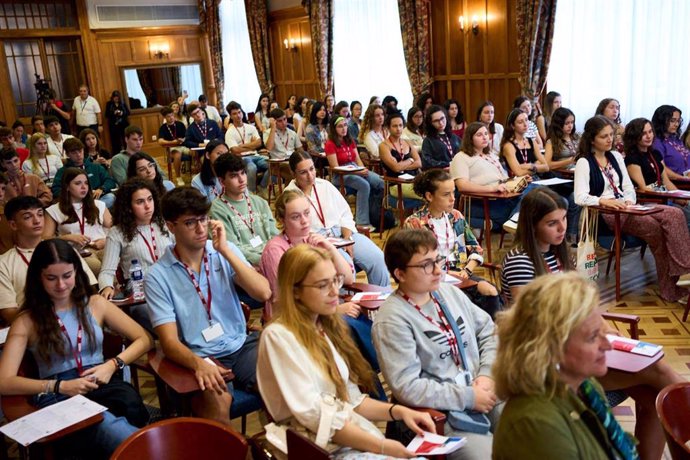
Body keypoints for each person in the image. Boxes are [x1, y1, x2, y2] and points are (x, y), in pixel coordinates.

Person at [257, 244, 435, 458]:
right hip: (315, 449)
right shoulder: (278, 337)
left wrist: (397, 411)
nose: (335, 291)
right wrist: (383, 447)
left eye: (336, 280)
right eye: (323, 285)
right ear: (295, 291)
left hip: (343, 439)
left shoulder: (325, 328)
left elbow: (351, 399)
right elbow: (318, 417)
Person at [0, 238, 152, 459]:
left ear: (76, 273)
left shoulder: (95, 304)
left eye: (67, 276)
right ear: (38, 278)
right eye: (51, 278)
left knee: (118, 413)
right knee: (103, 424)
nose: (61, 285)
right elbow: (4, 381)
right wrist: (59, 385)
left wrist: (113, 364)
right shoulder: (27, 320)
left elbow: (144, 338)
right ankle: (154, 451)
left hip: (100, 380)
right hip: (58, 393)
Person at [144, 186, 271, 425]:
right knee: (218, 403)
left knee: (283, 382)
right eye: (190, 223)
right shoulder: (157, 276)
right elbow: (169, 343)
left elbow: (263, 292)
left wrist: (225, 250)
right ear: (171, 227)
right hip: (199, 354)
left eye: (203, 219)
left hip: (240, 344)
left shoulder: (222, 251)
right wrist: (199, 364)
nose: (201, 229)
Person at [373, 229, 500, 460]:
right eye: (426, 265)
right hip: (444, 411)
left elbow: (488, 331)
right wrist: (468, 396)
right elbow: (408, 387)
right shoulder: (391, 320)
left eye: (438, 260)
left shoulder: (448, 292)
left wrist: (487, 374)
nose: (438, 270)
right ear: (400, 274)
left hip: (484, 390)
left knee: (533, 430)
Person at [491, 272, 639, 460]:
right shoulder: (535, 426)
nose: (607, 345)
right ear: (551, 347)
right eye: (593, 337)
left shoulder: (586, 386)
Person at [574, 115, 690, 302]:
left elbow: (628, 188)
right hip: (607, 213)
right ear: (592, 139)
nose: (610, 139)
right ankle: (671, 287)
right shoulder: (584, 162)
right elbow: (580, 197)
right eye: (604, 136)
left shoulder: (617, 157)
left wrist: (628, 201)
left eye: (611, 135)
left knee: (675, 214)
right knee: (655, 228)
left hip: (628, 206)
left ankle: (684, 269)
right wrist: (604, 201)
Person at [285, 151, 391, 288]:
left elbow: (345, 214)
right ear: (293, 174)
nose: (310, 176)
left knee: (378, 258)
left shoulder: (325, 185)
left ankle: (382, 301)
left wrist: (347, 238)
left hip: (342, 234)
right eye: (303, 172)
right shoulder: (289, 196)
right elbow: (294, 231)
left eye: (312, 169)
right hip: (318, 241)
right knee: (346, 270)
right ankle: (347, 308)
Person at [404, 170, 501, 318]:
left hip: (462, 276)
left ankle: (493, 336)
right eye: (446, 194)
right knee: (463, 302)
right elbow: (419, 264)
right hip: (434, 280)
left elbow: (475, 247)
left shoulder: (456, 216)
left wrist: (467, 270)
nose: (452, 199)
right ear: (429, 196)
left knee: (491, 291)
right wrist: (446, 273)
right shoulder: (414, 223)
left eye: (453, 193)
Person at [259, 189, 355, 320]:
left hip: (321, 312)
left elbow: (348, 279)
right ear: (282, 220)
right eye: (296, 217)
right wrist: (336, 310)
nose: (304, 221)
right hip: (292, 320)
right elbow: (284, 300)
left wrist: (331, 249)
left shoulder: (313, 240)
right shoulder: (274, 250)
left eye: (307, 213)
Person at [0, 196, 97, 324]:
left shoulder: (62, 249)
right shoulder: (3, 263)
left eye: (40, 214)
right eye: (28, 217)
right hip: (35, 327)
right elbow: (9, 314)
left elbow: (90, 289)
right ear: (13, 224)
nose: (37, 221)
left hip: (76, 319)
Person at [450, 122, 526, 230]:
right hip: (484, 201)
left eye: (486, 133)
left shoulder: (491, 155)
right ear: (470, 138)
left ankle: (513, 219)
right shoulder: (461, 157)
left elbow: (503, 179)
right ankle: (514, 219)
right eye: (479, 135)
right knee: (529, 212)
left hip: (504, 196)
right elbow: (462, 186)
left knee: (534, 189)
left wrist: (519, 181)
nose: (484, 137)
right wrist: (492, 188)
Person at [210, 153, 278, 266]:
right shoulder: (217, 210)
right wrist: (264, 261)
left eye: (243, 173)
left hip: (271, 257)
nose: (241, 180)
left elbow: (274, 235)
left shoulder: (260, 203)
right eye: (234, 176)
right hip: (244, 265)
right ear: (222, 182)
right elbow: (231, 248)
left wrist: (277, 255)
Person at [45, 168, 113, 276]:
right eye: (78, 183)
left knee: (113, 260)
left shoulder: (99, 204)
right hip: (75, 251)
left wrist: (107, 240)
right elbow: (45, 239)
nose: (84, 187)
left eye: (86, 183)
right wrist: (67, 238)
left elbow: (114, 229)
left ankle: (115, 289)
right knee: (94, 265)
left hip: (101, 245)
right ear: (67, 187)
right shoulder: (54, 210)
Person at [625, 117, 690, 228]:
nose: (649, 136)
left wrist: (682, 198)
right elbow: (643, 189)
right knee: (685, 215)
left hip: (664, 196)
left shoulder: (655, 154)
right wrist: (667, 197)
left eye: (650, 132)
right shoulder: (632, 158)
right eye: (643, 133)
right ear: (634, 136)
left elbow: (666, 181)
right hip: (649, 201)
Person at [325, 116, 384, 229]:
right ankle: (361, 222)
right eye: (340, 126)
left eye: (345, 125)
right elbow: (335, 167)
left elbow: (357, 159)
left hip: (355, 168)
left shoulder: (350, 140)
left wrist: (363, 169)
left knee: (379, 181)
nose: (344, 129)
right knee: (364, 185)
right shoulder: (330, 144)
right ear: (334, 128)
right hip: (341, 174)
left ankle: (375, 215)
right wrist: (358, 172)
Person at [52, 138, 117, 209]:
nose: (78, 155)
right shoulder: (63, 171)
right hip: (76, 202)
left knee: (111, 197)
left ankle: (91, 211)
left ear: (83, 150)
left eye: (80, 151)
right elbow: (56, 189)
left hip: (97, 199)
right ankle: (93, 211)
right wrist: (73, 194)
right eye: (74, 153)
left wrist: (102, 189)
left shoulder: (95, 166)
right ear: (67, 154)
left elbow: (110, 181)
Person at [225, 101, 269, 193]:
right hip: (241, 158)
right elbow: (235, 150)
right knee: (251, 167)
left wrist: (243, 146)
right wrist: (252, 145)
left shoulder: (251, 128)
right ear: (231, 116)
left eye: (239, 112)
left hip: (256, 155)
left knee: (273, 165)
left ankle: (263, 187)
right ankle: (250, 193)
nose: (238, 115)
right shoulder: (230, 132)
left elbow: (259, 143)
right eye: (234, 113)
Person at [378, 112, 422, 201]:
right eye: (394, 126)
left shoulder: (407, 142)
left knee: (436, 188)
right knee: (429, 193)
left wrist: (401, 165)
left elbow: (419, 163)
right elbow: (395, 168)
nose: (398, 129)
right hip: (396, 185)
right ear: (388, 128)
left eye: (400, 125)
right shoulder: (384, 145)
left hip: (414, 180)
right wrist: (410, 160)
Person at [500, 108, 550, 178]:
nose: (525, 124)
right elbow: (518, 173)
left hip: (535, 178)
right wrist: (536, 166)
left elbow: (546, 167)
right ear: (512, 126)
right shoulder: (509, 146)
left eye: (526, 120)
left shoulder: (531, 141)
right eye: (520, 122)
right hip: (520, 182)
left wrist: (530, 166)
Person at [263, 107, 303, 183]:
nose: (284, 123)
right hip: (277, 165)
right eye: (280, 121)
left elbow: (300, 150)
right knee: (294, 171)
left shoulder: (292, 133)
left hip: (292, 161)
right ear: (274, 122)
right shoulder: (268, 133)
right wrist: (273, 128)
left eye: (285, 119)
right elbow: (269, 147)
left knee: (302, 168)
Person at [651, 104, 689, 180]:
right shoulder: (657, 142)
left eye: (678, 121)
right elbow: (662, 169)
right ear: (661, 121)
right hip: (676, 183)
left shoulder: (675, 139)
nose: (676, 124)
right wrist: (683, 178)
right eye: (672, 121)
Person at [421, 104, 460, 169]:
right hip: (440, 174)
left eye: (442, 118)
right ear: (430, 123)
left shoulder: (454, 137)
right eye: (436, 121)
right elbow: (426, 162)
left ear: (446, 117)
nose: (441, 123)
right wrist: (447, 164)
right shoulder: (428, 140)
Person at [157, 106, 188, 186]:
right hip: (172, 148)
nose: (171, 118)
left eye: (172, 115)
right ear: (164, 117)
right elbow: (160, 141)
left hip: (184, 145)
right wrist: (172, 142)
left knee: (194, 151)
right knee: (177, 155)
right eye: (168, 116)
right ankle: (178, 177)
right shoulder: (163, 128)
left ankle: (195, 173)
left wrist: (183, 140)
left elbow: (187, 136)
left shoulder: (180, 124)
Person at [191, 139, 227, 203]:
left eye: (226, 154)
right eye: (219, 153)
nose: (224, 157)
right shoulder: (197, 181)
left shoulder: (233, 176)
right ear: (207, 155)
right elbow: (200, 207)